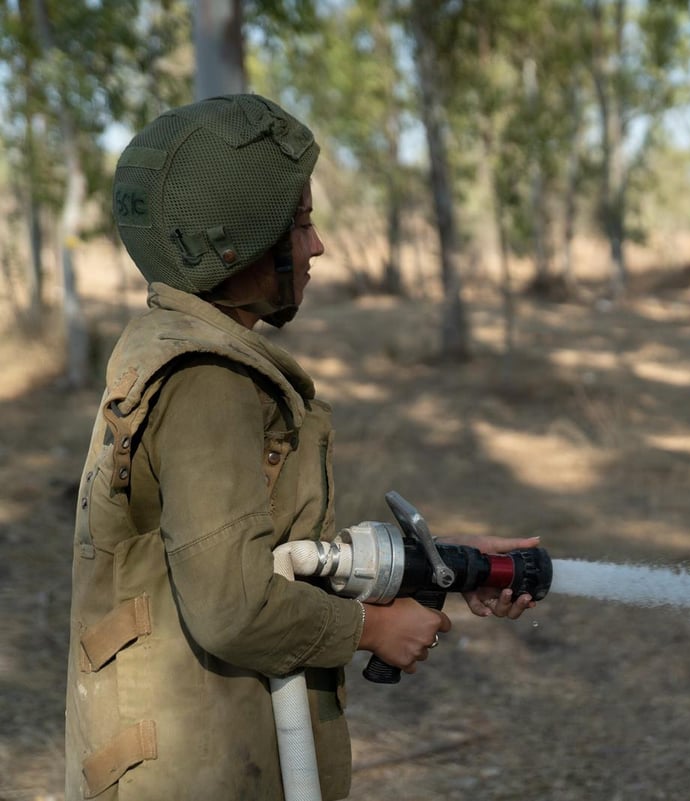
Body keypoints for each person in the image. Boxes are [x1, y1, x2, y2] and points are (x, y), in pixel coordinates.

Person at [65, 94, 536, 801]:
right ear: (240, 243)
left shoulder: (173, 345)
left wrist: (445, 563)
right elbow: (234, 604)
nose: (317, 246)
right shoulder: (209, 382)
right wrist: (372, 628)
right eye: (302, 225)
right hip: (197, 771)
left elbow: (266, 549)